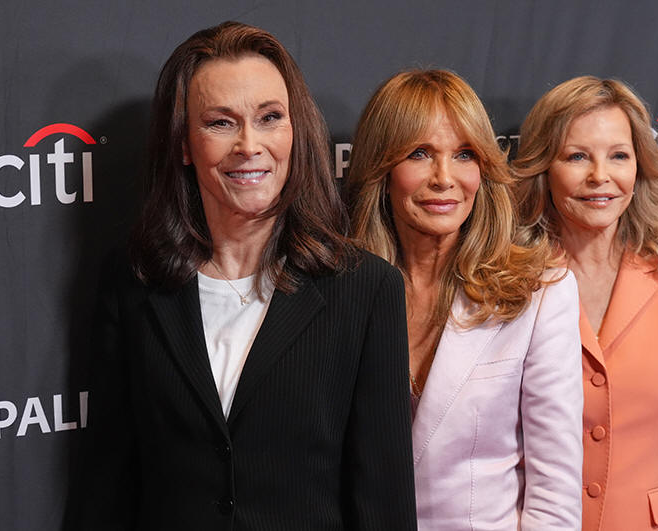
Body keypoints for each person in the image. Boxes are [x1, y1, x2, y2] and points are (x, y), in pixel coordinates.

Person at [77, 21, 416, 531]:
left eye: (269, 118)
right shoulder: (133, 282)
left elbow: (383, 502)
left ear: (295, 132)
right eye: (221, 123)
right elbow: (106, 487)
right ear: (184, 144)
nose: (249, 145)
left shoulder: (366, 289)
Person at [346, 69, 583, 530]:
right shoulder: (339, 292)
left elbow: (554, 495)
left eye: (464, 155)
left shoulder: (539, 293)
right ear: (381, 168)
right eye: (419, 154)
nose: (444, 178)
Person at [512, 76, 658, 530]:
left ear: (639, 165)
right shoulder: (509, 279)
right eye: (577, 156)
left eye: (618, 155)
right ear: (544, 168)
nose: (600, 176)